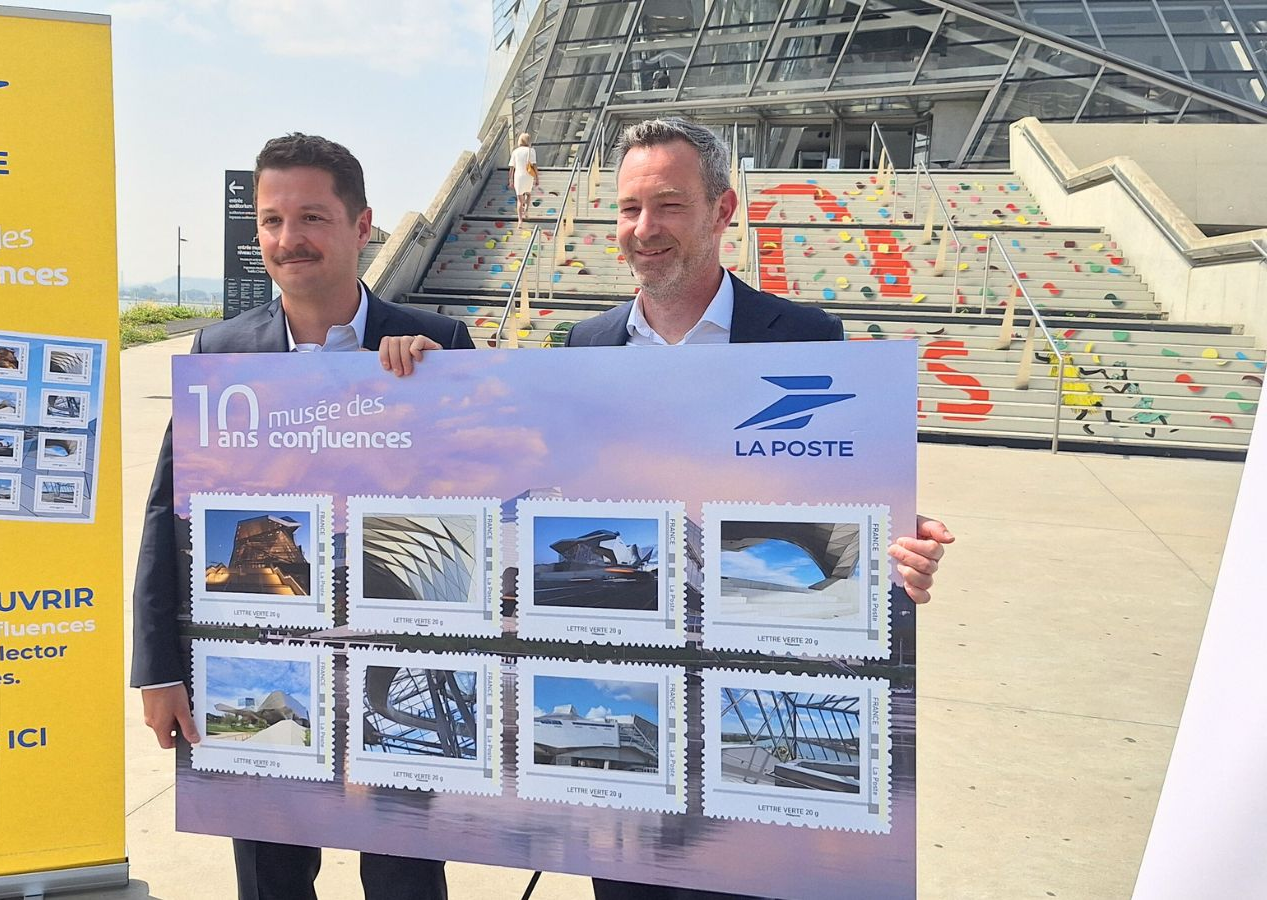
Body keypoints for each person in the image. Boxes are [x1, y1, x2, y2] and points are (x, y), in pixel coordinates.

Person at [383, 117, 954, 899]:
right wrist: (416, 369)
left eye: (668, 207)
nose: (643, 230)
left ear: (723, 213)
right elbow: (515, 472)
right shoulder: (585, 347)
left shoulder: (808, 340)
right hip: (628, 714)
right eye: (627, 209)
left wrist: (896, 554)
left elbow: (842, 507)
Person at [131, 132, 473, 900]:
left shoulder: (439, 345)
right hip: (260, 653)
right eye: (272, 221)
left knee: (405, 875)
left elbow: (478, 501)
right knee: (271, 876)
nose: (290, 240)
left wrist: (438, 392)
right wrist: (158, 669)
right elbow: (168, 519)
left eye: (313, 218)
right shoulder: (220, 352)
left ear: (362, 226)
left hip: (393, 654)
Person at [509, 132, 539, 226]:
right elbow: (534, 165)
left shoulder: (515, 152)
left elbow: (512, 167)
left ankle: (520, 221)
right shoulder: (531, 150)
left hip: (518, 176)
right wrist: (537, 177)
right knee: (528, 194)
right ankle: (526, 210)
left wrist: (510, 180)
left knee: (519, 200)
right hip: (528, 176)